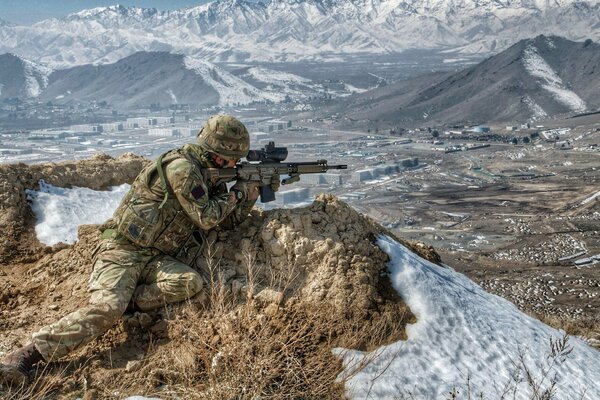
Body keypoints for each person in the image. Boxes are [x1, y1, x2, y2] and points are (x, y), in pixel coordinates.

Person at [0, 114, 277, 386]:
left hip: (156, 257)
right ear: (218, 154)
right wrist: (238, 192)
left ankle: (128, 302)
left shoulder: (210, 174)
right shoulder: (183, 169)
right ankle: (27, 354)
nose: (236, 164)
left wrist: (248, 197)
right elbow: (207, 216)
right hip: (122, 250)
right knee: (107, 309)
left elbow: (224, 220)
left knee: (189, 282)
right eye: (233, 159)